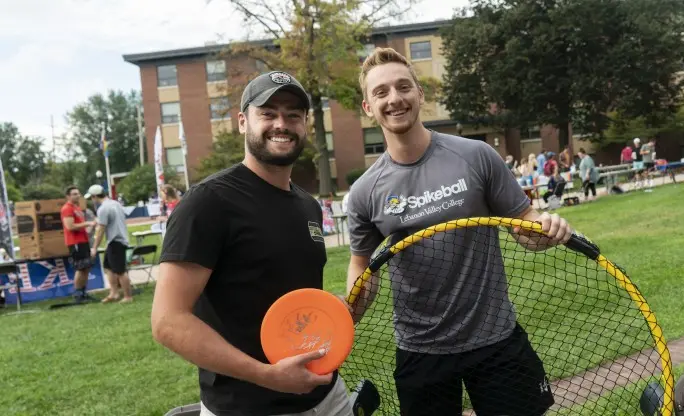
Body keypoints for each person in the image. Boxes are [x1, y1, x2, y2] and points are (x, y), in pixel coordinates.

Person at [345, 47, 572, 416]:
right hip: (420, 350)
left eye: (403, 87)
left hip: (496, 338)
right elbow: (361, 264)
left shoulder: (476, 155)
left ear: (420, 94)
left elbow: (525, 225)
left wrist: (547, 228)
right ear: (368, 107)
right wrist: (351, 305)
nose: (395, 99)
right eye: (381, 92)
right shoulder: (365, 192)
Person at [150, 70, 353, 416]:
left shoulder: (307, 204)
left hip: (329, 396)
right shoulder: (208, 202)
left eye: (293, 115)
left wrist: (325, 310)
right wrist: (267, 376)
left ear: (306, 125)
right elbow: (167, 321)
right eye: (268, 113)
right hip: (246, 406)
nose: (281, 124)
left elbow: (282, 290)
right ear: (243, 122)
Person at [86, 184, 134, 304]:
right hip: (117, 239)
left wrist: (94, 247)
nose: (92, 201)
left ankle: (128, 296)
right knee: (108, 266)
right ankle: (114, 293)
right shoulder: (115, 204)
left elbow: (101, 229)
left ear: (95, 196)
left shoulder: (103, 208)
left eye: (92, 198)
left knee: (120, 270)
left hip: (115, 240)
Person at [61, 186, 96, 303]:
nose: (78, 195)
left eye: (78, 193)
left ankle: (83, 292)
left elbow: (80, 225)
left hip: (83, 240)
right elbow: (70, 226)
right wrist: (87, 223)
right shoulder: (67, 208)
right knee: (80, 268)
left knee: (86, 267)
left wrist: (90, 227)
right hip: (75, 242)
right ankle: (77, 294)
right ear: (68, 196)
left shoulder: (77, 208)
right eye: (75, 194)